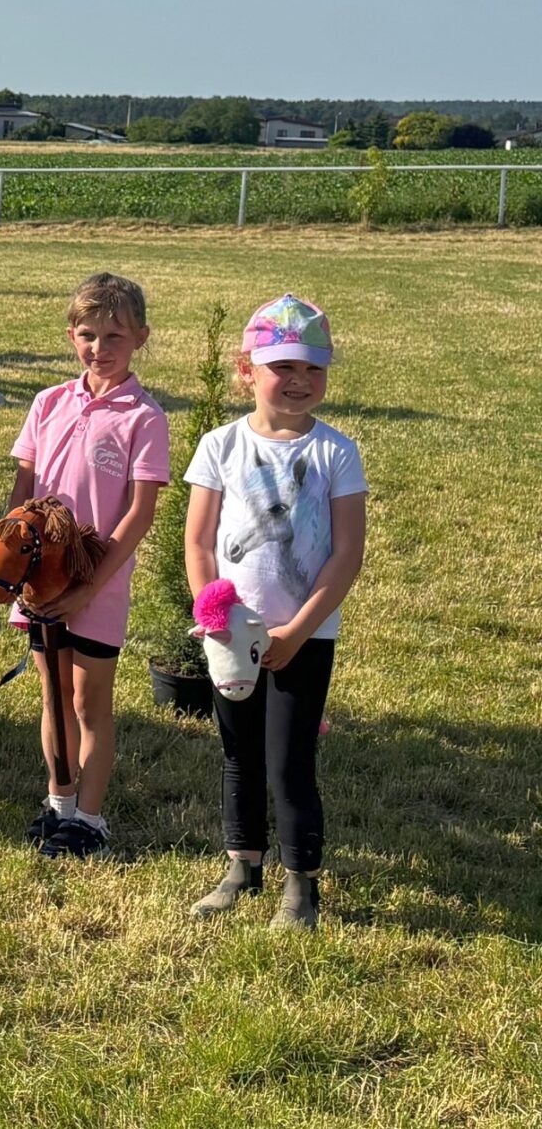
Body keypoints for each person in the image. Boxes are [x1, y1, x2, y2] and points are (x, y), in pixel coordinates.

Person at [184, 296, 366, 931]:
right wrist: (216, 616)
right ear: (247, 370)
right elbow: (199, 542)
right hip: (232, 635)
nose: (299, 380)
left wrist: (298, 630)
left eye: (313, 369)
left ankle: (301, 882)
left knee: (290, 758)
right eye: (283, 366)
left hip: (305, 636)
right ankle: (242, 866)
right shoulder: (220, 446)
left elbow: (347, 554)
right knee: (239, 753)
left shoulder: (336, 453)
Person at [3, 274, 170, 862]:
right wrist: (13, 557)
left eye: (115, 336)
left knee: (87, 701)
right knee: (53, 696)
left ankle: (91, 821)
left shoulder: (144, 417)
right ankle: (60, 804)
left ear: (140, 338)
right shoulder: (48, 402)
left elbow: (139, 513)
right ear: (71, 334)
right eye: (88, 335)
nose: (100, 348)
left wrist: (88, 587)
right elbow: (23, 488)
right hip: (42, 581)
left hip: (98, 585)